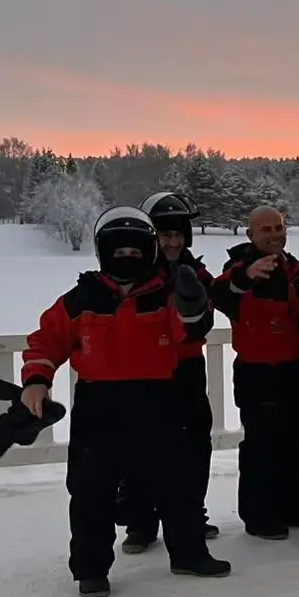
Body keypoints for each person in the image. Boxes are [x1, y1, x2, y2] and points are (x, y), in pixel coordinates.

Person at [20, 207, 230, 597]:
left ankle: (188, 553)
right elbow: (46, 340)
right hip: (99, 404)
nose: (128, 257)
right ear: (104, 252)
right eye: (120, 250)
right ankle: (91, 569)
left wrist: (192, 304)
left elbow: (191, 331)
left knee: (178, 482)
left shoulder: (165, 293)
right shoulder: (82, 298)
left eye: (135, 250)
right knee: (91, 489)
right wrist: (36, 380)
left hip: (159, 399)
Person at [116, 190, 217, 553]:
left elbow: (209, 314)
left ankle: (190, 516)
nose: (173, 242)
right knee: (142, 446)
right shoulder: (135, 273)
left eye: (178, 235)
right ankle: (141, 523)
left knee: (194, 445)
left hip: (188, 367)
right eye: (165, 235)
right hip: (147, 371)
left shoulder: (197, 272)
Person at [211, 205, 299, 540]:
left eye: (278, 228)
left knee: (296, 442)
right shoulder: (238, 271)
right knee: (262, 445)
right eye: (266, 230)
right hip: (258, 371)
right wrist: (245, 277)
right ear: (250, 234)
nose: (274, 235)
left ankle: (291, 503)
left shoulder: (292, 271)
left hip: (294, 366)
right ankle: (259, 513)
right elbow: (219, 295)